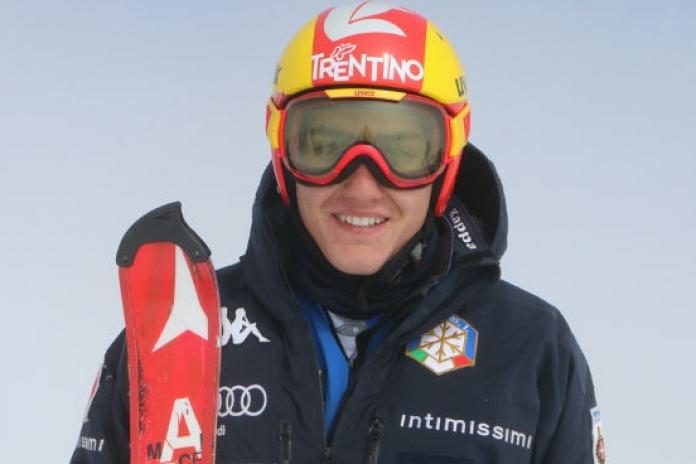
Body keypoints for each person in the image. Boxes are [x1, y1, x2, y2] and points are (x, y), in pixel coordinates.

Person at [71, 2, 605, 463]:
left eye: (403, 149)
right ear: (282, 149)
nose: (363, 185)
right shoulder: (178, 338)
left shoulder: (530, 349)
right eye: (324, 144)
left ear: (448, 158)